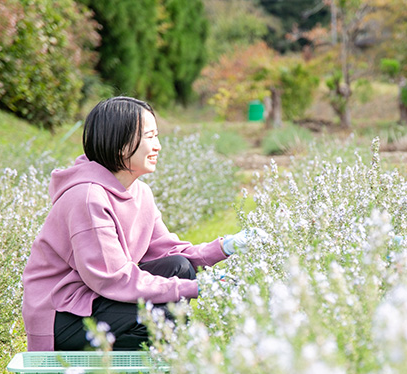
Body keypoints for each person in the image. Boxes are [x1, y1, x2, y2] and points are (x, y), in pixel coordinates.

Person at [22, 96, 255, 351]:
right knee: (160, 315)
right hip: (64, 315)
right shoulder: (87, 198)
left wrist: (225, 247)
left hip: (97, 300)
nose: (158, 146)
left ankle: (159, 366)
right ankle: (152, 373)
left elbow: (169, 252)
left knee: (179, 267)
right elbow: (113, 279)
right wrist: (194, 288)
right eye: (150, 137)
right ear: (122, 144)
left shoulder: (140, 192)